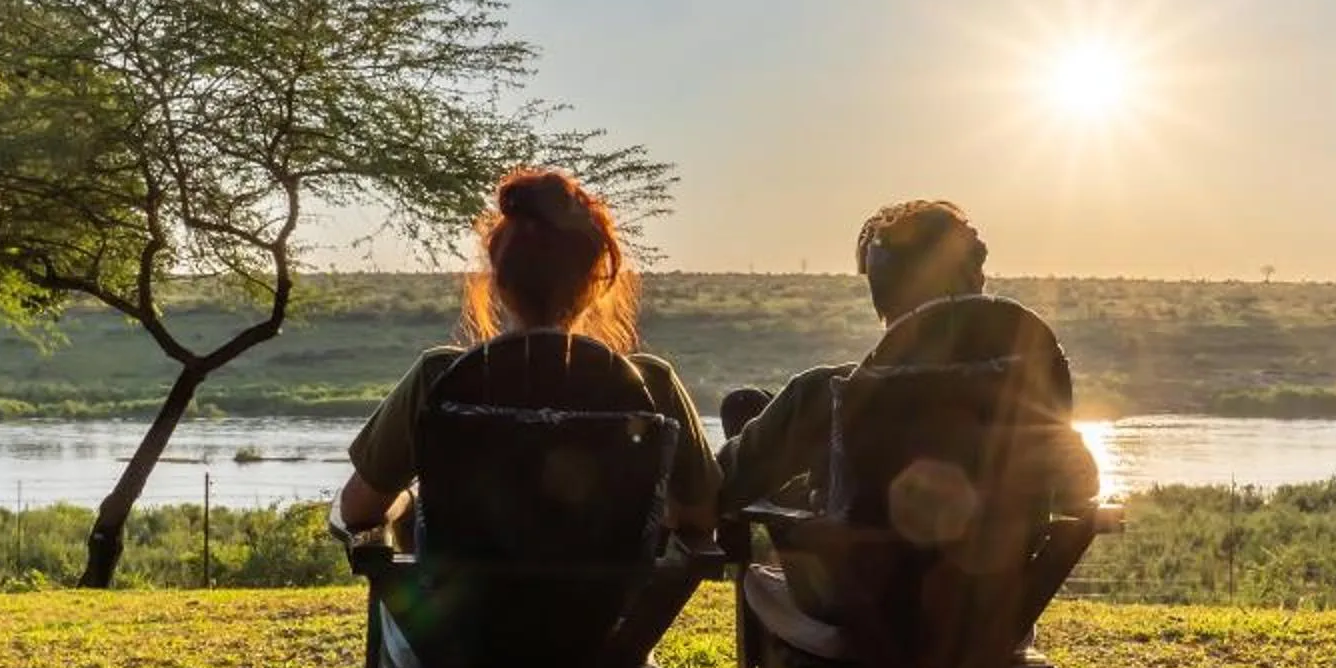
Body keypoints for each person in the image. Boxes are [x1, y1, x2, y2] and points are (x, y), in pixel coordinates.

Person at [334, 167, 718, 547]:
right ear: (597, 280)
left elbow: (357, 512)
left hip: (465, 610)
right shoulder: (651, 383)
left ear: (498, 281)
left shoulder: (441, 376)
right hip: (608, 610)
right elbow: (699, 517)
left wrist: (410, 501)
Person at [716, 197, 1098, 515]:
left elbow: (712, 491)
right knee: (759, 417)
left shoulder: (834, 395)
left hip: (859, 594)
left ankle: (767, 446)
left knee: (749, 414)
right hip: (993, 595)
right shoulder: (1023, 387)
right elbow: (1079, 485)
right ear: (977, 280)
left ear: (884, 292)